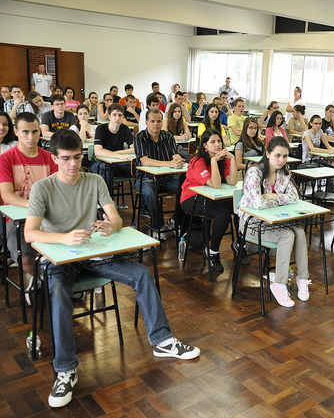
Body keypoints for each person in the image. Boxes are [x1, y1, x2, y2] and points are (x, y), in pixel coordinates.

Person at [24, 130, 199, 409]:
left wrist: (111, 226)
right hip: (60, 258)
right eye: (66, 159)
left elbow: (116, 218)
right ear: (55, 158)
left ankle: (162, 340)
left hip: (93, 254)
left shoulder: (93, 180)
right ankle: (65, 369)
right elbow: (31, 234)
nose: (73, 164)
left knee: (141, 274)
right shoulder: (42, 188)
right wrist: (63, 237)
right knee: (58, 293)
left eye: (78, 157)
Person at [236, 136, 311, 308]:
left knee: (299, 232)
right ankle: (279, 283)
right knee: (286, 235)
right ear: (268, 154)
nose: (281, 160)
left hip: (274, 220)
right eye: (277, 155)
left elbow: (294, 197)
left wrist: (271, 196)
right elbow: (257, 203)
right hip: (251, 223)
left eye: (285, 156)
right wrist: (277, 199)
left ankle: (303, 278)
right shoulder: (254, 172)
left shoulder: (284, 172)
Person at [0, 112, 58, 278]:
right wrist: (34, 205)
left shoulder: (50, 158)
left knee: (65, 248)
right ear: (16, 132)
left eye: (35, 131)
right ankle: (39, 282)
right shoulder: (6, 159)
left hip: (49, 215)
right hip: (17, 219)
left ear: (40, 131)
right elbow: (7, 196)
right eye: (25, 132)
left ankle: (55, 280)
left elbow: (57, 191)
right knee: (24, 258)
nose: (31, 137)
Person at [180, 129, 238, 271]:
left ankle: (240, 244)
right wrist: (213, 160)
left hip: (211, 197)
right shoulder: (197, 161)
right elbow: (216, 184)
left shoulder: (222, 160)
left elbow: (232, 182)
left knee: (239, 206)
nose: (217, 145)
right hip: (190, 199)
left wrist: (233, 159)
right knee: (223, 214)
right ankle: (213, 252)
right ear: (205, 146)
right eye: (212, 142)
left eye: (219, 141)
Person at [134, 109, 184, 240]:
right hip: (145, 178)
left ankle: (175, 220)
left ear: (162, 122)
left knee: (186, 188)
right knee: (150, 193)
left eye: (159, 121)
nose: (156, 124)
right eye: (152, 121)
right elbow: (145, 161)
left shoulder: (168, 136)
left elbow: (175, 154)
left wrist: (178, 160)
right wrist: (169, 164)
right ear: (146, 123)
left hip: (167, 178)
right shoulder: (140, 137)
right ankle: (158, 227)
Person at [92, 103, 134, 196]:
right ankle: (108, 204)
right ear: (109, 116)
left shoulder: (124, 128)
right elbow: (98, 152)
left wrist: (113, 153)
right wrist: (118, 155)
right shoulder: (101, 128)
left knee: (137, 167)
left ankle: (143, 208)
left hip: (118, 163)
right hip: (101, 163)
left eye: (120, 115)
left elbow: (134, 149)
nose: (117, 118)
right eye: (114, 115)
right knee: (105, 169)